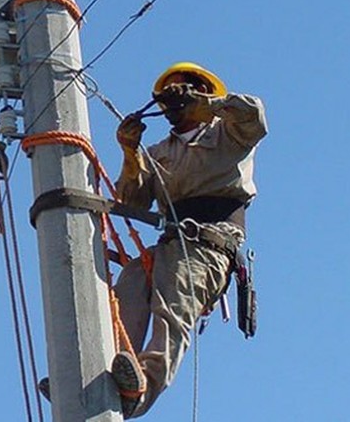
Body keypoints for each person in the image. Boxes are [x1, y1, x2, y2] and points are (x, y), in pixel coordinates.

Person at [111, 61, 268, 417]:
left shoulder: (227, 133)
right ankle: (107, 375)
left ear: (202, 92)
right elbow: (133, 201)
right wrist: (130, 154)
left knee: (172, 311)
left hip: (209, 244)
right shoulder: (157, 152)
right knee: (129, 287)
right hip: (170, 242)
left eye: (182, 93)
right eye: (169, 97)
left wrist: (207, 105)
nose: (173, 103)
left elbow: (255, 116)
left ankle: (141, 390)